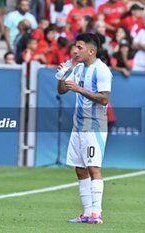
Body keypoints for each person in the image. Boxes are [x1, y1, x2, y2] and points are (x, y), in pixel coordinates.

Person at [57, 33, 112, 224]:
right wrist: (61, 76)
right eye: (75, 47)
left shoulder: (101, 70)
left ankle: (97, 213)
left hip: (94, 124)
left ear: (91, 50)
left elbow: (104, 98)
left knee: (93, 167)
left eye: (79, 47)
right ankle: (87, 213)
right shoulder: (78, 68)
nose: (75, 51)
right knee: (80, 169)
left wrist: (79, 89)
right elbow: (63, 90)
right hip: (78, 125)